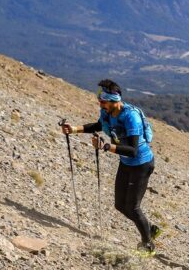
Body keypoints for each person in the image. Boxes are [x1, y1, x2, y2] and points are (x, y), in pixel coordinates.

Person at [61, 79, 160, 253]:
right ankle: (149, 229)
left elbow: (133, 150)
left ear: (114, 100)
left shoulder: (131, 117)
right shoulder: (107, 112)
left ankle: (148, 245)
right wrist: (74, 129)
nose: (100, 105)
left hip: (141, 164)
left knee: (133, 207)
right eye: (100, 101)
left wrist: (106, 147)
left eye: (103, 102)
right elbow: (100, 125)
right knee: (120, 205)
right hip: (126, 163)